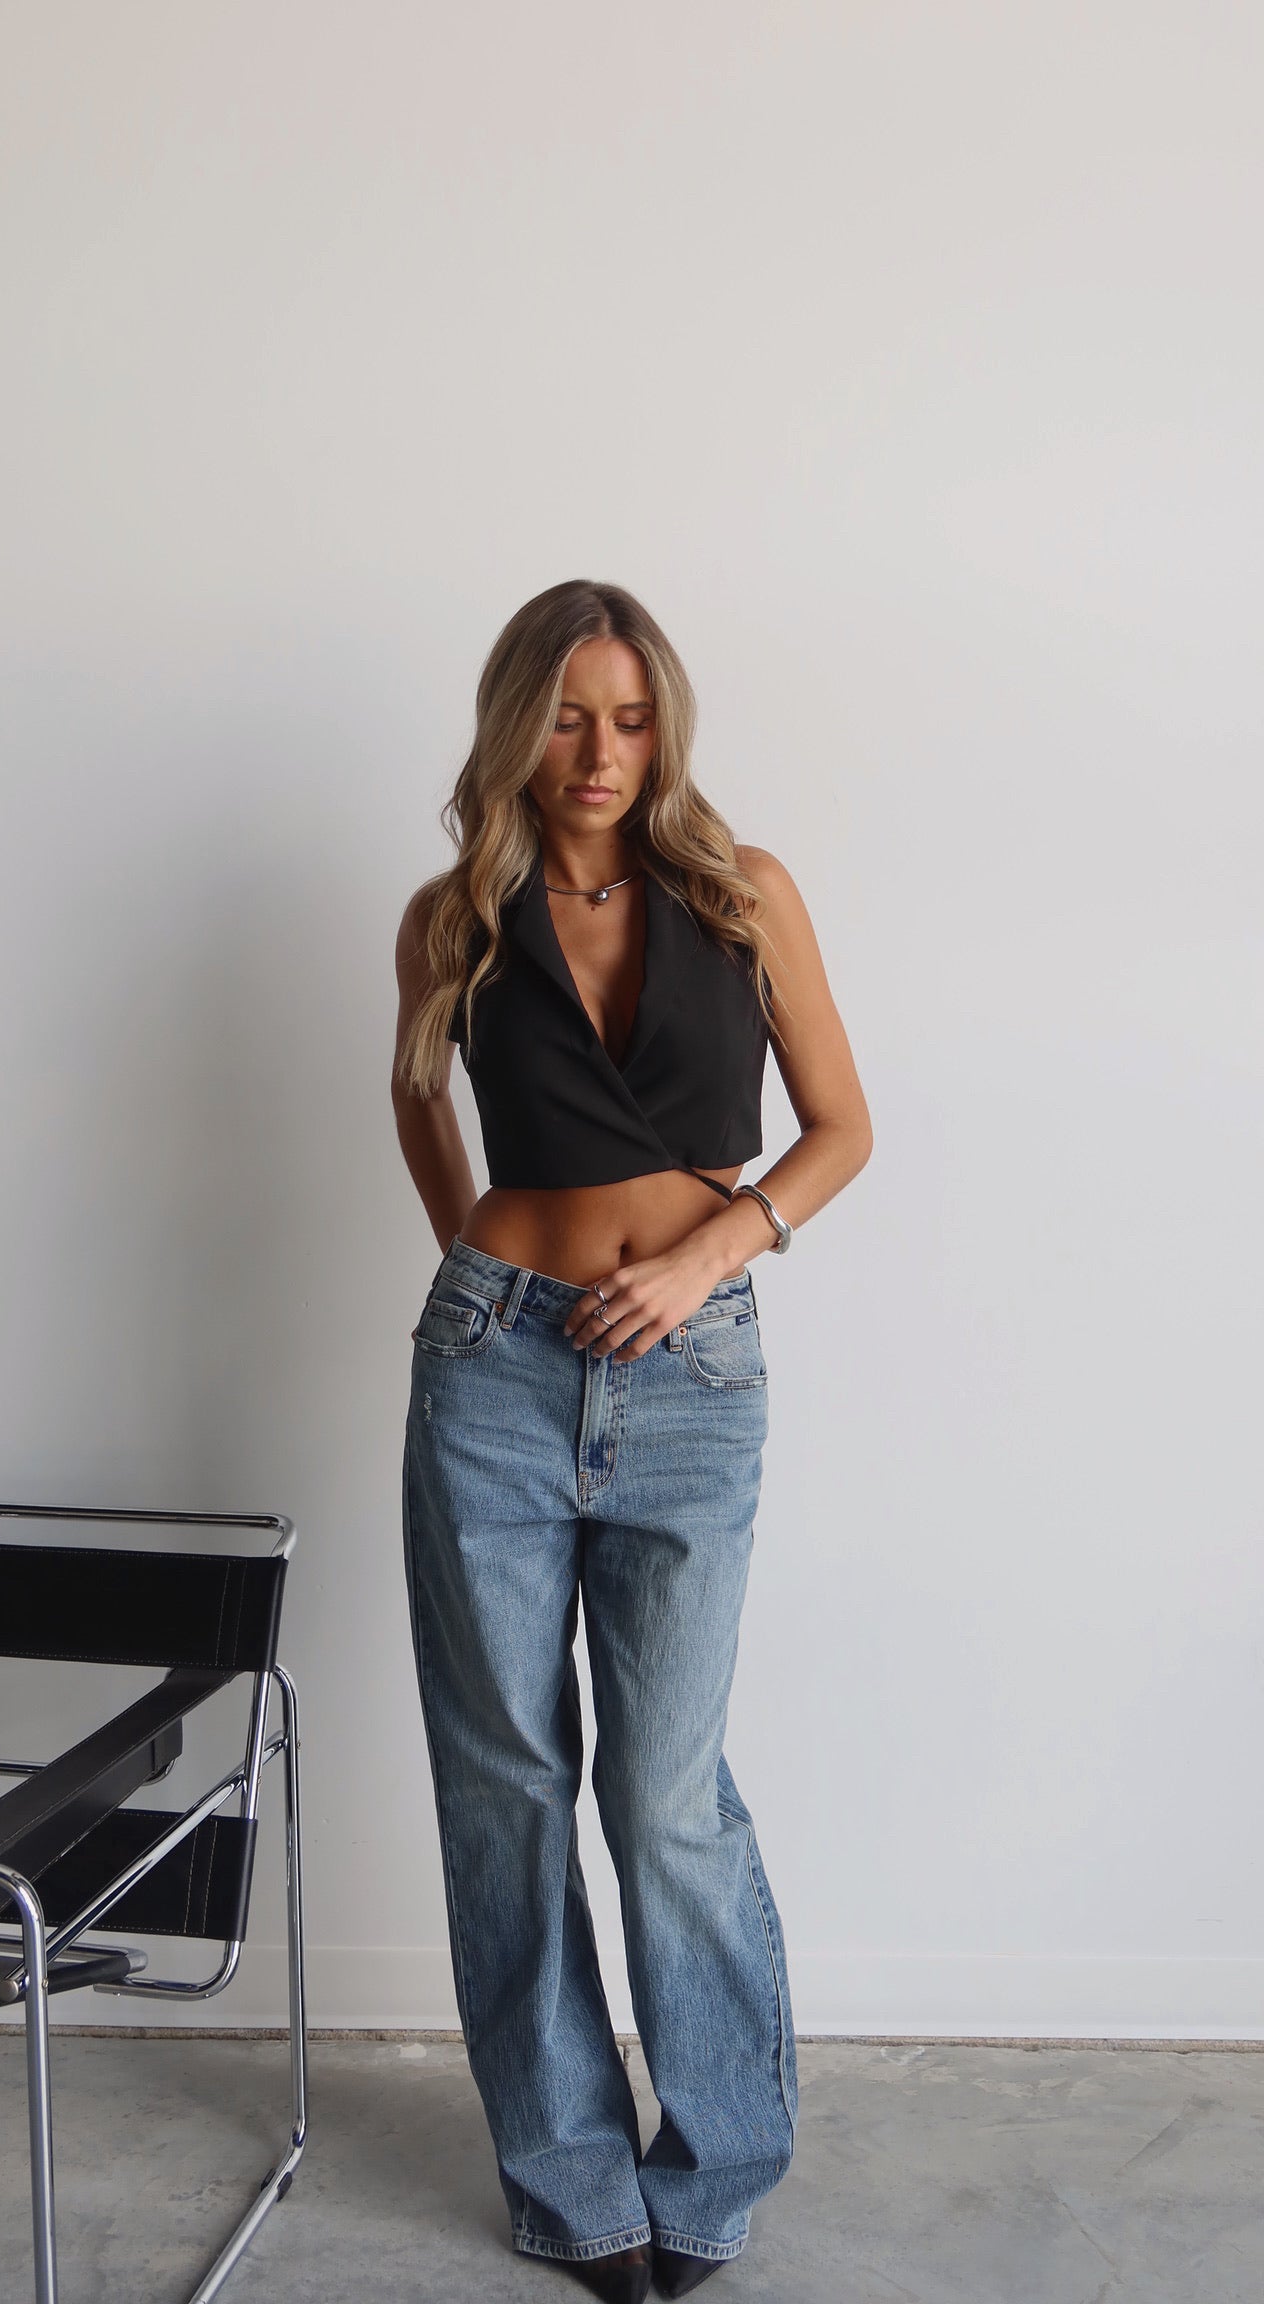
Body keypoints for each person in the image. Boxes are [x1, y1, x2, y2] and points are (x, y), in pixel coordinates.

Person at [390, 579, 872, 2303]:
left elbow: (839, 1129)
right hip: (493, 1376)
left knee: (664, 1793)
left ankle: (716, 2159)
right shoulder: (454, 913)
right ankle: (567, 2169)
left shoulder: (745, 894)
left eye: (632, 716)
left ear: (666, 725)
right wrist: (479, 1277)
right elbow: (413, 1094)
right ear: (517, 725)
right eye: (569, 717)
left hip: (693, 1379)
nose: (601, 751)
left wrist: (707, 1255)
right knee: (507, 1786)